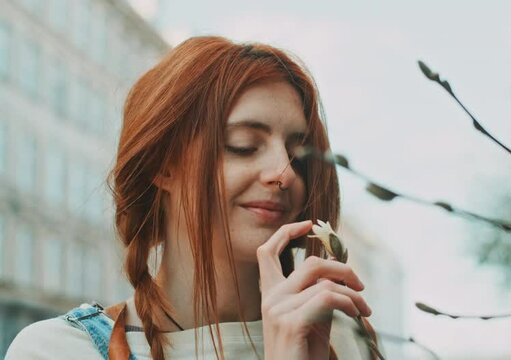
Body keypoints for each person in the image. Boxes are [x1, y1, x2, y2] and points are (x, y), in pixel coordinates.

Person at [6, 36, 378, 360]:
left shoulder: (341, 343)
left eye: (299, 155)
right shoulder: (59, 351)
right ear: (164, 165)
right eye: (243, 146)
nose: (284, 172)